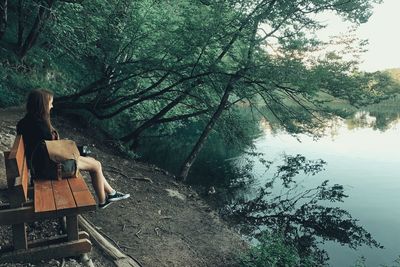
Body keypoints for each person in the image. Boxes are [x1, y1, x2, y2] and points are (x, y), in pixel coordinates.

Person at [17, 89, 130, 209]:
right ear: (42, 105)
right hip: (49, 168)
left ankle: (111, 193)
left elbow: (48, 149)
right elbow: (53, 152)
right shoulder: (41, 127)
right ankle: (103, 201)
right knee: (96, 165)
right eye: (50, 103)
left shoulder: (24, 122)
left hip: (41, 165)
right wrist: (73, 153)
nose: (52, 106)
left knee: (93, 161)